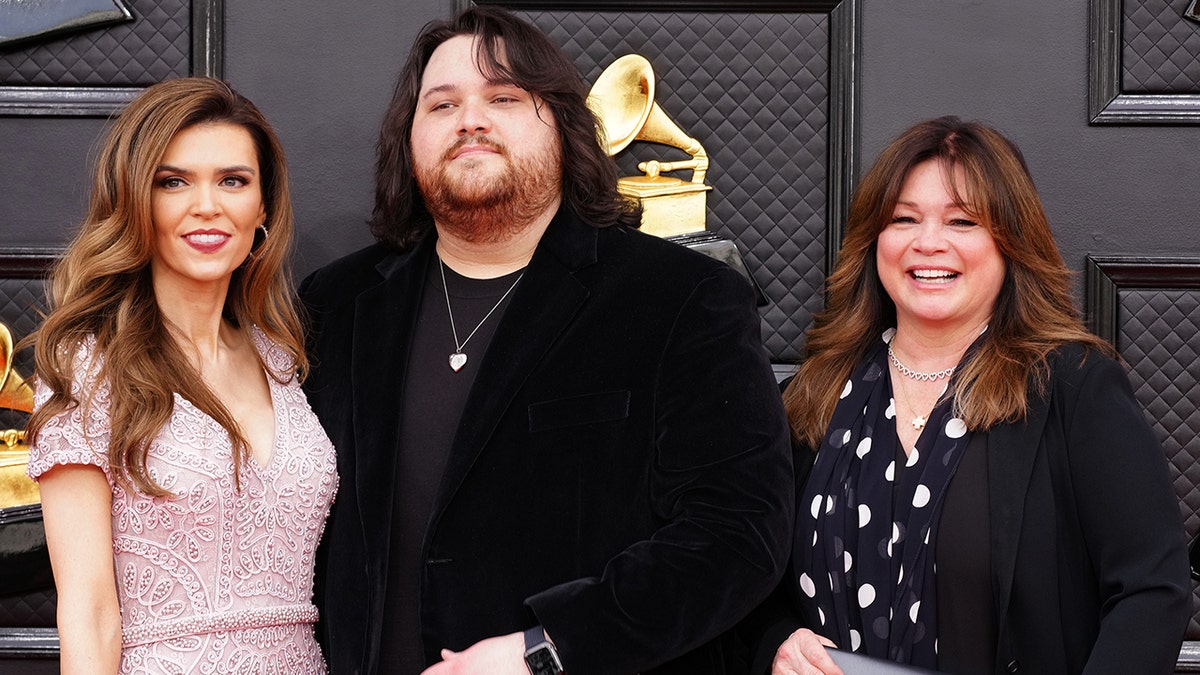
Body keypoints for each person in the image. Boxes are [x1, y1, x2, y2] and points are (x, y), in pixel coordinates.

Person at [299, 5, 794, 674]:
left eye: (504, 97)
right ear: (409, 139)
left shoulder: (684, 300)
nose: (471, 118)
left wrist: (547, 649)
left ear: (564, 127)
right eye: (442, 104)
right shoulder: (337, 305)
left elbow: (736, 534)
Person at [753, 116, 1191, 675]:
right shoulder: (813, 394)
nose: (928, 242)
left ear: (1010, 242)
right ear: (873, 242)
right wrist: (776, 642)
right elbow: (749, 576)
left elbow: (1153, 589)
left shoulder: (1074, 387)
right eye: (904, 219)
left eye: (963, 221)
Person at [25, 77, 338, 674]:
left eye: (233, 180)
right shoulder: (88, 366)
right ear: (136, 201)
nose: (208, 206)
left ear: (263, 206)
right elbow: (88, 611)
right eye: (173, 182)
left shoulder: (281, 360)